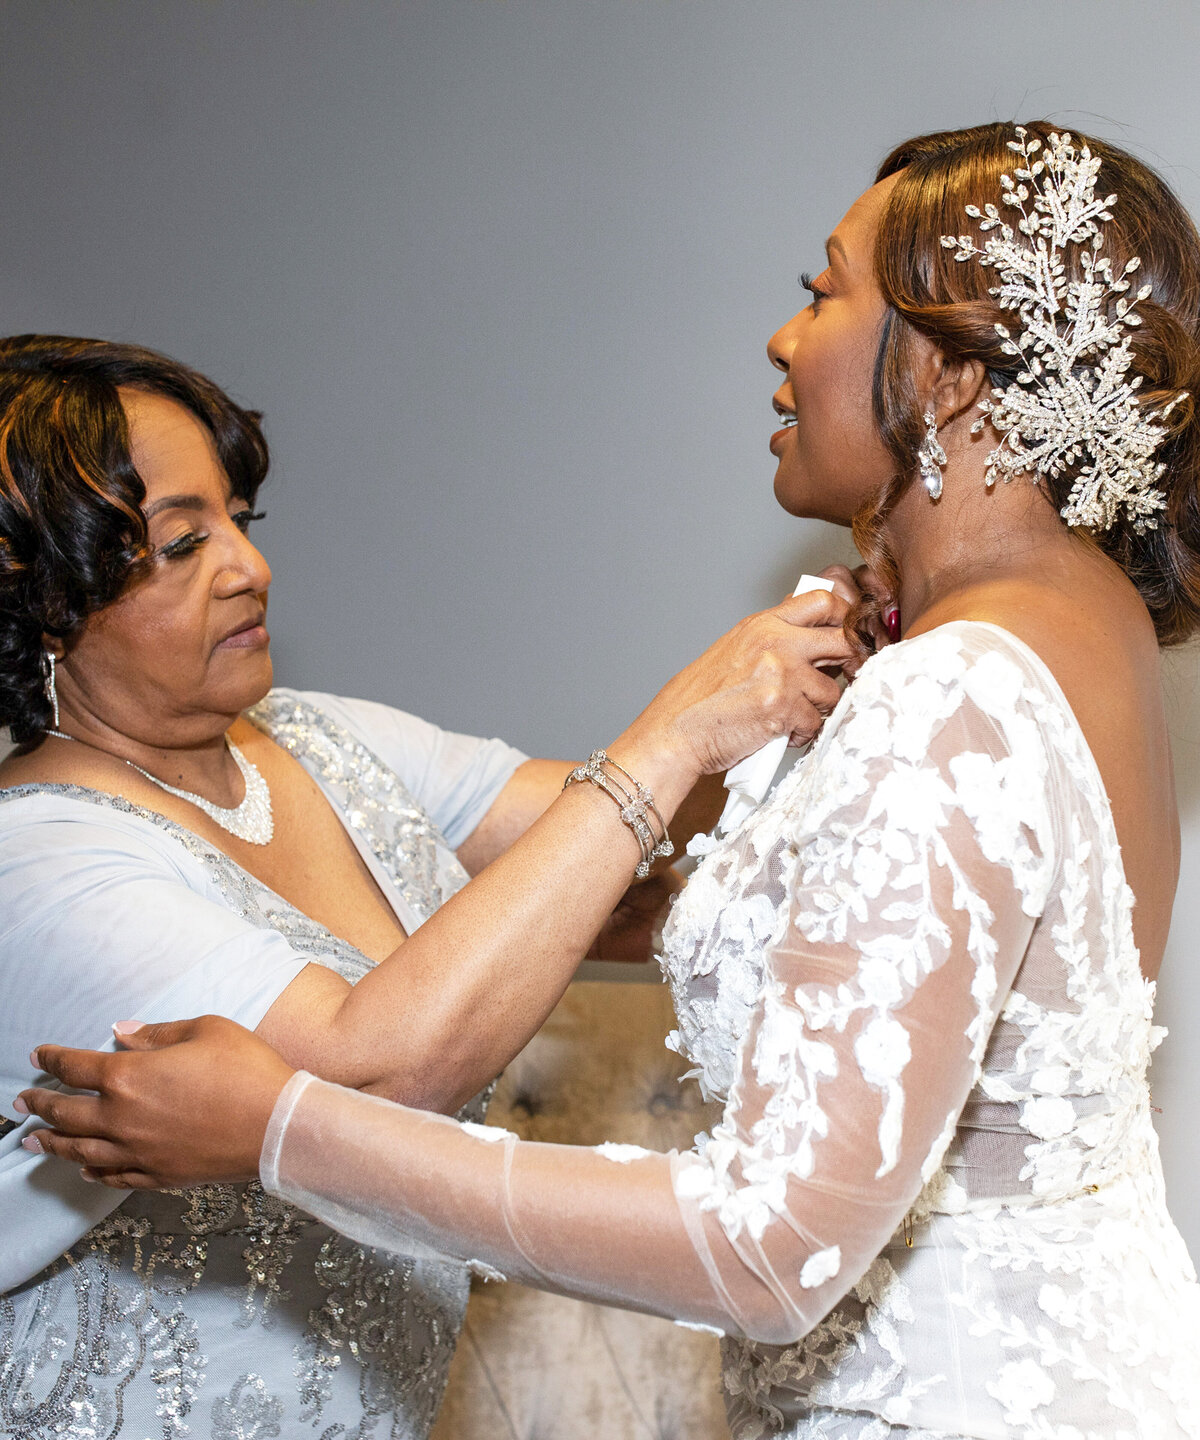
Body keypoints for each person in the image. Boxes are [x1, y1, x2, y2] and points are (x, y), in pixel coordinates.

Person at [20, 120, 1200, 1438]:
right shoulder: (1083, 624)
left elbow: (771, 1246)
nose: (781, 339)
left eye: (821, 294)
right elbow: (645, 876)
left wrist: (281, 1129)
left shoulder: (950, 685)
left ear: (949, 374)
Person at [0, 334, 863, 1440]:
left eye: (237, 523)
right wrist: (680, 728)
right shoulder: (40, 866)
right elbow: (379, 1071)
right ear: (45, 611)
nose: (248, 569)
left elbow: (584, 834)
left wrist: (848, 682)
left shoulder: (318, 740)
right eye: (180, 545)